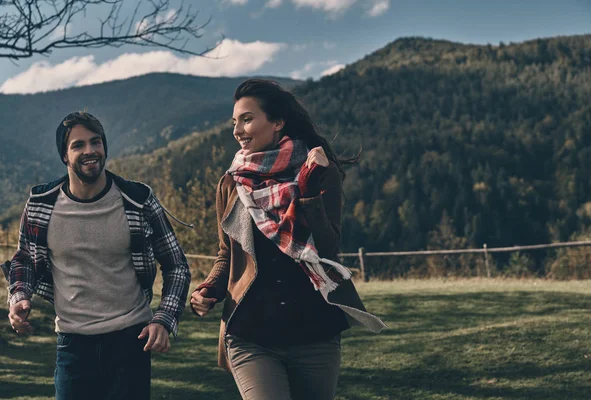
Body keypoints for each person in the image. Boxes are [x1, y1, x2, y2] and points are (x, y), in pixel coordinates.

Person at [190, 79, 386, 400]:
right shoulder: (232, 182)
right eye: (234, 122)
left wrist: (307, 192)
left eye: (247, 119)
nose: (237, 130)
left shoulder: (320, 172)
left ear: (278, 122)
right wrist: (209, 288)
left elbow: (327, 248)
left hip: (315, 332)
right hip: (250, 333)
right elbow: (227, 254)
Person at [3, 111, 191, 400]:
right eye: (78, 145)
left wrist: (164, 318)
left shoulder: (137, 200)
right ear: (64, 156)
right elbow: (25, 258)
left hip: (131, 340)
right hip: (72, 344)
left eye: (96, 142)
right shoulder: (41, 204)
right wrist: (19, 296)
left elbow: (176, 265)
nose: (89, 151)